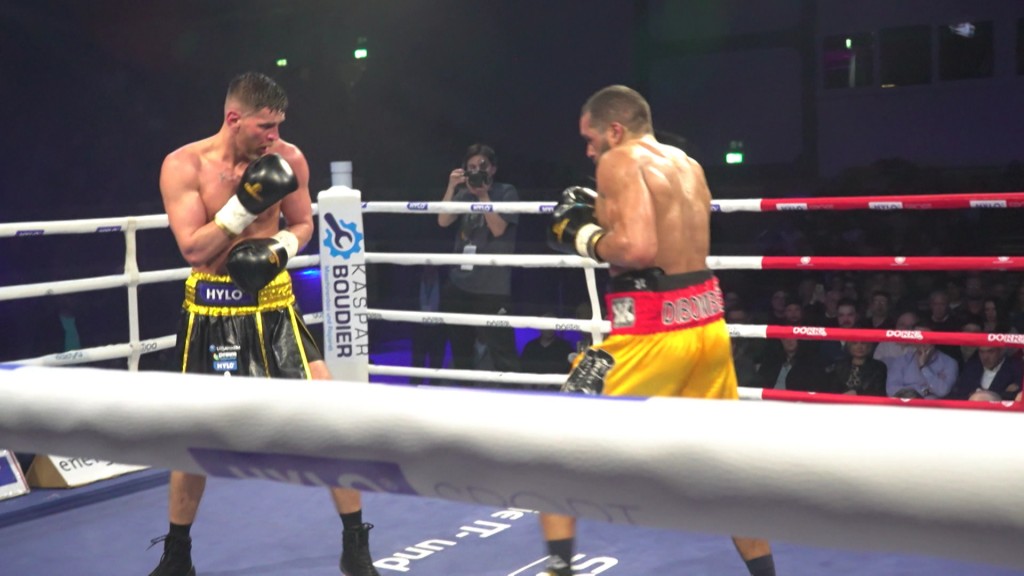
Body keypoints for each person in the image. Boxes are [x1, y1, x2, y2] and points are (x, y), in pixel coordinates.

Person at [152, 72, 379, 576]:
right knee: (194, 439)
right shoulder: (184, 165)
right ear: (234, 119)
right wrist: (244, 207)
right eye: (266, 127)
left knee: (332, 424)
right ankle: (176, 556)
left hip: (274, 307)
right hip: (209, 310)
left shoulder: (289, 160)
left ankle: (356, 547)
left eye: (279, 126)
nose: (275, 137)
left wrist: (280, 247)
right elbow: (192, 247)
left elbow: (303, 223)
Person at [542, 85, 776, 576]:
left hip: (651, 332)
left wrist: (581, 233)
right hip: (708, 327)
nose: (587, 152)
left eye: (590, 140)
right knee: (729, 470)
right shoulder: (687, 165)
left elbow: (639, 249)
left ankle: (559, 570)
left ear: (615, 130)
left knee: (553, 446)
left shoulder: (619, 161)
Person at [437, 143, 521, 377]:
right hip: (459, 283)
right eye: (471, 167)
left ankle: (517, 399)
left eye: (481, 166)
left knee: (502, 350)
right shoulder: (463, 193)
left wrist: (483, 195)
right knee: (461, 351)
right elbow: (443, 220)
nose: (476, 171)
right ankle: (465, 401)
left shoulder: (506, 192)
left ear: (493, 169)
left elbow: (498, 229)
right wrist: (452, 186)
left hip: (492, 286)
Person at [410, 265, 446, 384]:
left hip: (438, 330)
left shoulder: (444, 283)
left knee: (436, 364)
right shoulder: (414, 283)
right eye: (427, 267)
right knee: (417, 362)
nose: (429, 269)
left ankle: (435, 390)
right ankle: (414, 389)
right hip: (419, 329)